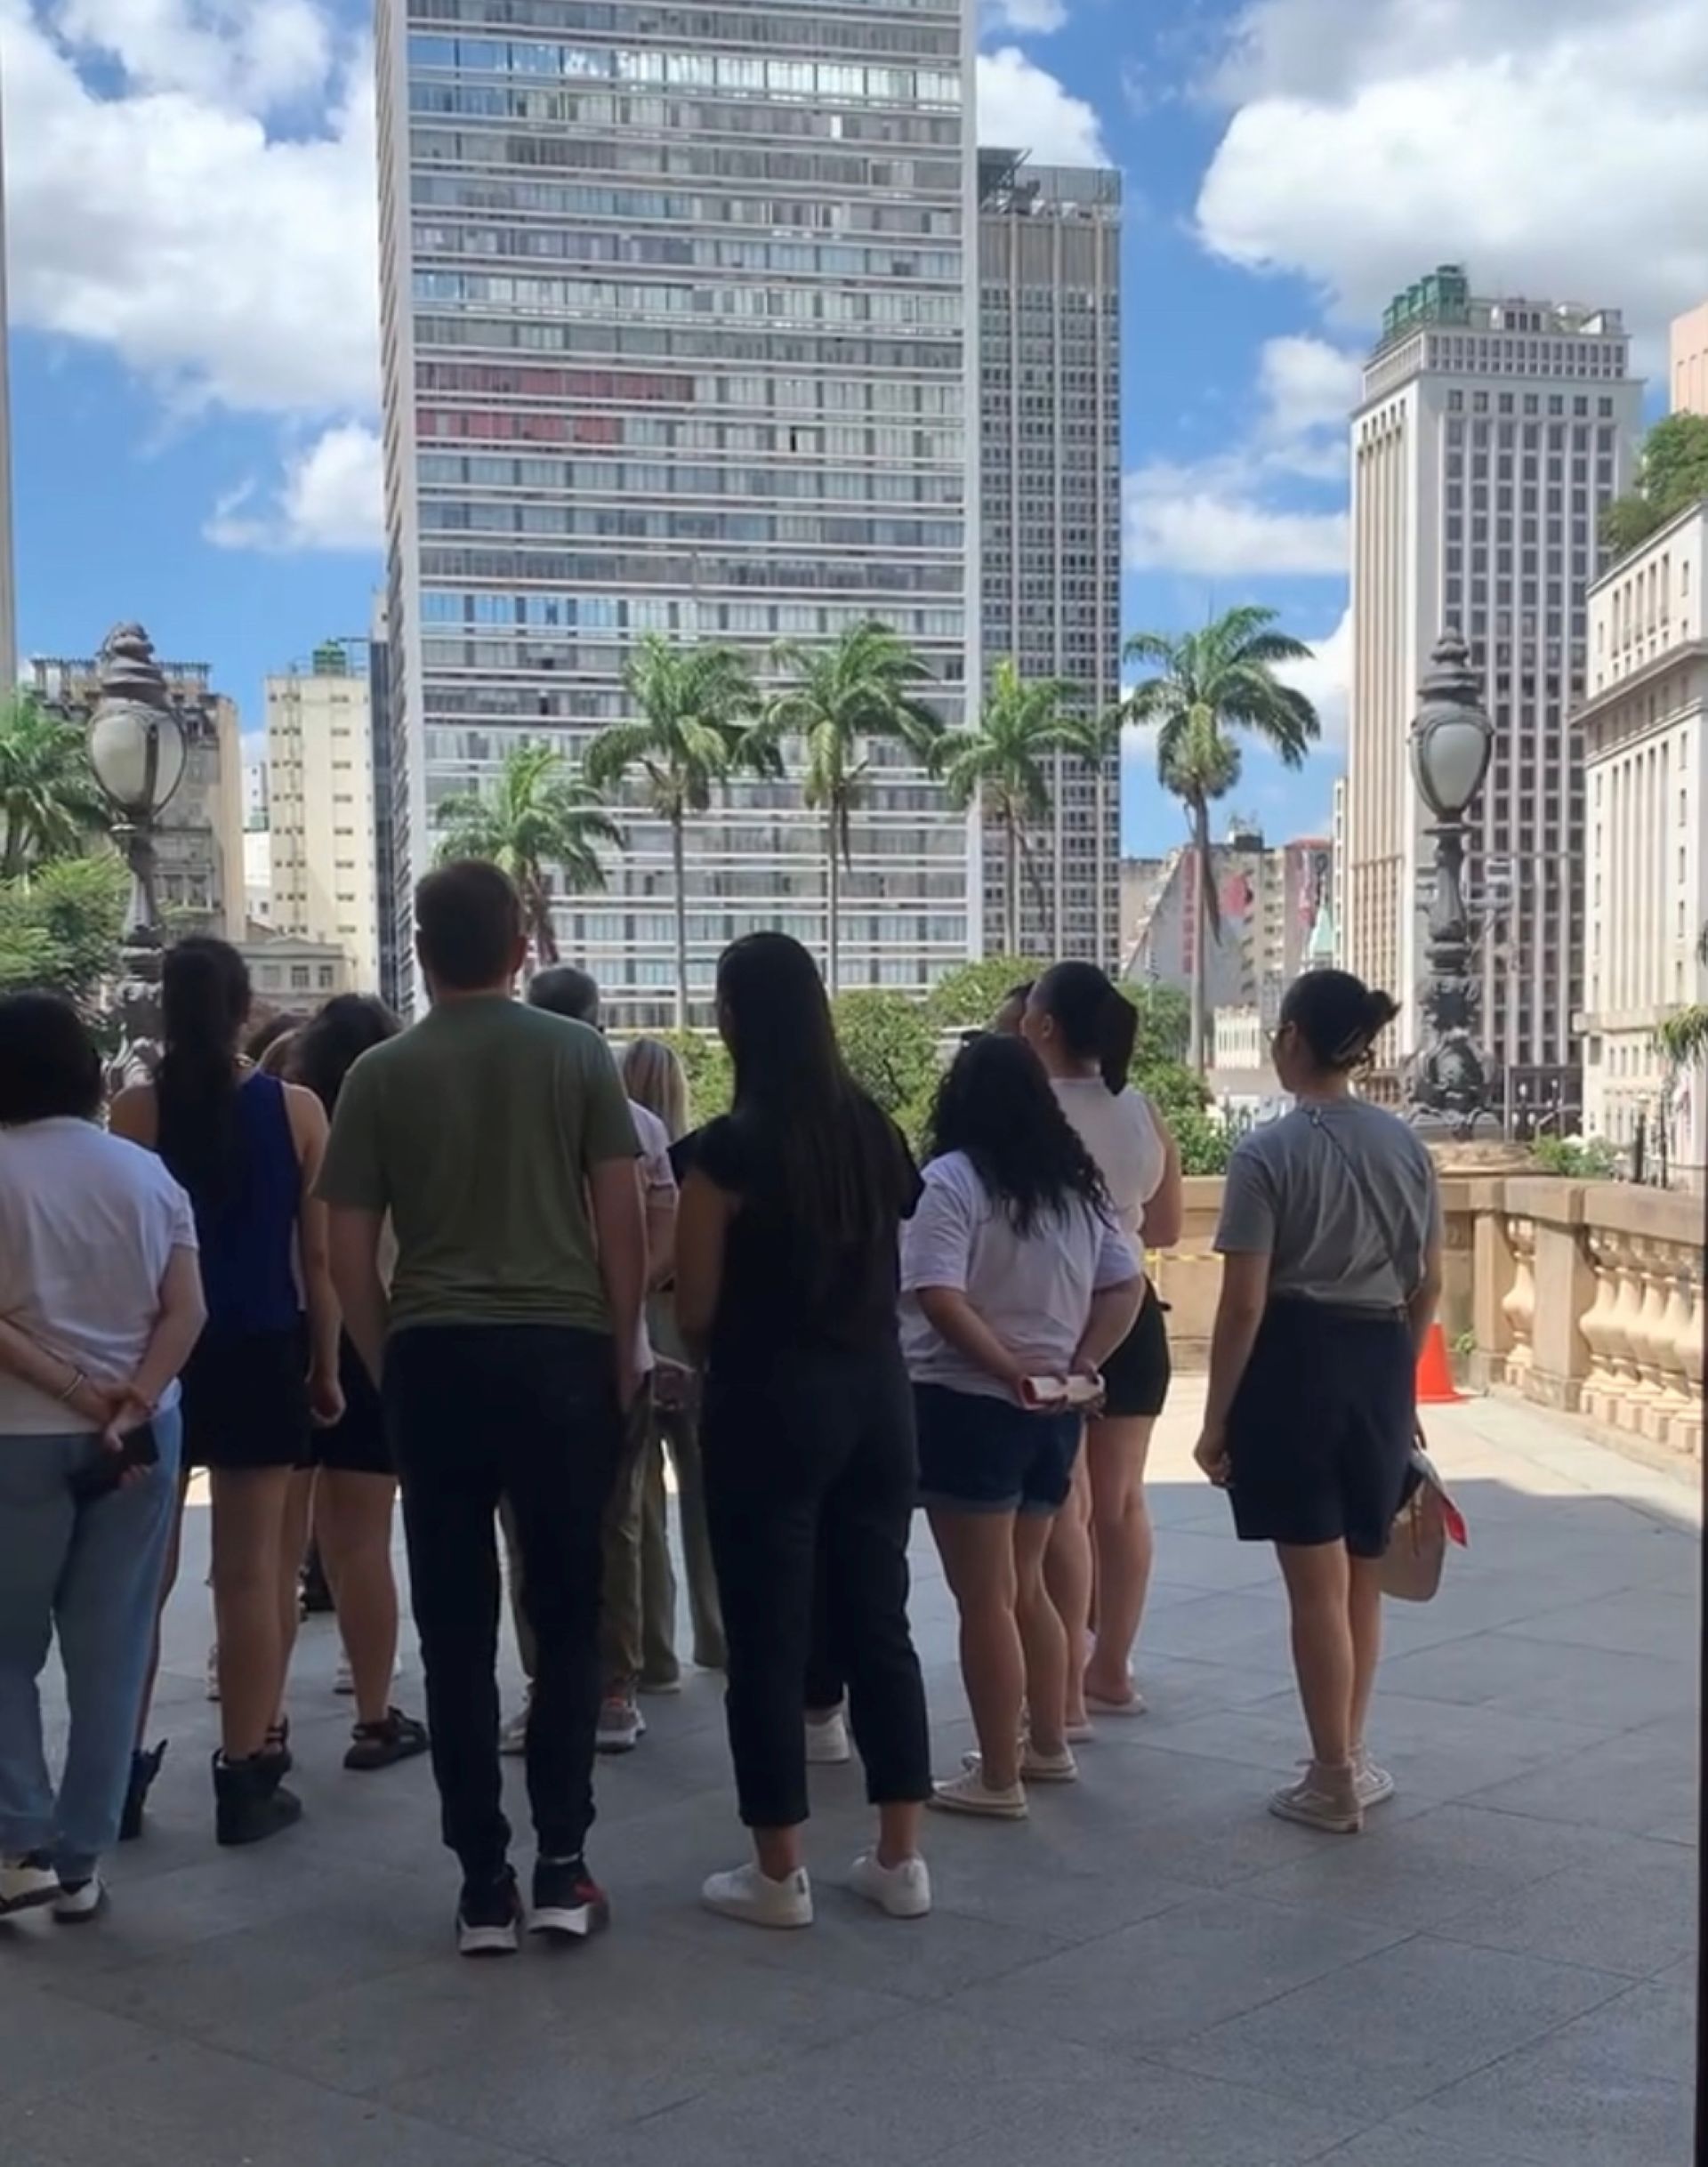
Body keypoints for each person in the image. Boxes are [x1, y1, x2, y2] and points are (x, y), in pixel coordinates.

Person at [319, 864, 645, 1956]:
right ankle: (563, 1863)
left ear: (419, 953)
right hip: (561, 1354)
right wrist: (624, 1347)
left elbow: (347, 1250)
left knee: (454, 1630)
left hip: (434, 1358)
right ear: (520, 949)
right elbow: (619, 1221)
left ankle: (481, 1885)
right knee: (566, 1612)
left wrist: (388, 1359)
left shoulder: (377, 1074)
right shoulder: (577, 1054)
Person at [675, 932, 931, 1929]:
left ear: (734, 1018)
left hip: (769, 1401)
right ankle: (901, 1859)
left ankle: (779, 1872)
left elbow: (696, 1308)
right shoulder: (873, 1131)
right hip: (879, 1395)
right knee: (880, 1624)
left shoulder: (726, 1152)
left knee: (768, 1637)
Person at [1196, 970, 1442, 1835]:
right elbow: (1428, 1283)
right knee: (1363, 1572)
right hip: (1379, 1360)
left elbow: (1243, 1304)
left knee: (1314, 1584)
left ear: (1293, 1037)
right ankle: (1353, 1754)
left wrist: (1216, 1419)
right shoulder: (1407, 1146)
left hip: (1294, 1366)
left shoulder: (1266, 1153)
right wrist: (1401, 1375)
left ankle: (1330, 1774)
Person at [112, 938, 341, 1848]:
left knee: (141, 1575)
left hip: (157, 1358)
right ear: (246, 1010)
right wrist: (326, 1367)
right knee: (251, 1574)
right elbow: (316, 1257)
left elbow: (126, 1251)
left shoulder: (134, 1110)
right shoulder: (296, 1110)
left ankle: (117, 1777)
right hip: (262, 1348)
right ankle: (246, 1777)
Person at [0, 996, 206, 1921]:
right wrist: (133, 1401)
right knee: (112, 1647)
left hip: (14, 1434)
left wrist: (83, 1395)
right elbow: (188, 1310)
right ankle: (84, 1859)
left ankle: (19, 1842)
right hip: (142, 1438)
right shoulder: (146, 1173)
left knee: (5, 1649)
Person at [903, 1035, 1143, 1818]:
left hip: (967, 1406)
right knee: (1029, 1585)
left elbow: (939, 1295)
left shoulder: (951, 1180)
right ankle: (1047, 1741)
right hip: (1056, 1410)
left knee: (984, 1600)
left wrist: (1007, 1370)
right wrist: (1081, 1362)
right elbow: (1126, 1284)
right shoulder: (1075, 1186)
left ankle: (998, 1776)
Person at [512, 964, 669, 1757]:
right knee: (615, 1524)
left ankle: (551, 1686)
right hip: (613, 1342)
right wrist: (629, 1304)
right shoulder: (638, 1123)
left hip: (526, 1339)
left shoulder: (507, 1117)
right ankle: (613, 1687)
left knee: (527, 1529)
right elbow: (664, 1221)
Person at [1023, 963, 1181, 1727]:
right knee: (1122, 1502)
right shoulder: (1142, 1110)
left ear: (1047, 1026)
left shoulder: (1029, 1113)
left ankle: (1061, 1682)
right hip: (1135, 1311)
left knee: (1066, 1503)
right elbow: (1169, 1226)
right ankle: (1112, 1666)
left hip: (1057, 1315)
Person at [286, 997, 427, 1773]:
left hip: (290, 1336)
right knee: (363, 1543)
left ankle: (260, 1724)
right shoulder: (403, 1129)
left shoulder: (291, 1126)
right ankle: (374, 1717)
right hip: (376, 1334)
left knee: (273, 1553)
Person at [619, 1035, 726, 1686]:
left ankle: (652, 1650)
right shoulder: (703, 1158)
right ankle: (718, 1636)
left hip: (631, 1320)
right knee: (707, 1493)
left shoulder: (616, 1153)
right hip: (692, 1325)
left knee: (639, 1502)